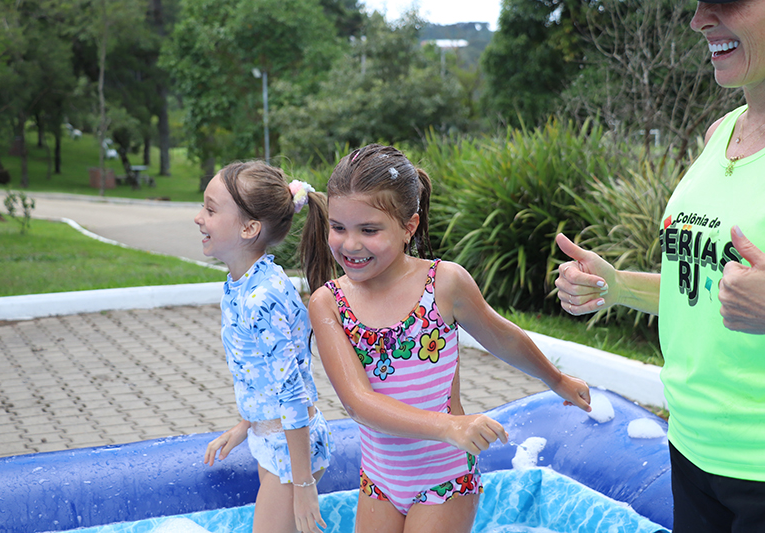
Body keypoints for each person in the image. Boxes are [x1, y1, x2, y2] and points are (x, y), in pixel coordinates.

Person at [301, 144, 592, 533]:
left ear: (409, 226)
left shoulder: (443, 283)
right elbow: (358, 402)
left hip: (445, 475)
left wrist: (556, 380)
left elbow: (501, 337)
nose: (350, 244)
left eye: (369, 230)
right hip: (380, 480)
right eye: (339, 228)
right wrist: (450, 426)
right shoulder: (329, 303)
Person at [553, 1, 765, 531]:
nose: (699, 20)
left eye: (726, 2)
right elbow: (698, 283)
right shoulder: (722, 133)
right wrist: (617, 285)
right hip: (692, 448)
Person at [196, 161, 334, 533]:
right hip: (272, 437)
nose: (199, 218)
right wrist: (246, 424)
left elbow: (292, 392)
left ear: (249, 228)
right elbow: (264, 374)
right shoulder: (242, 284)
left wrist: (303, 484)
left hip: (289, 447)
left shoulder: (264, 297)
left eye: (211, 210)